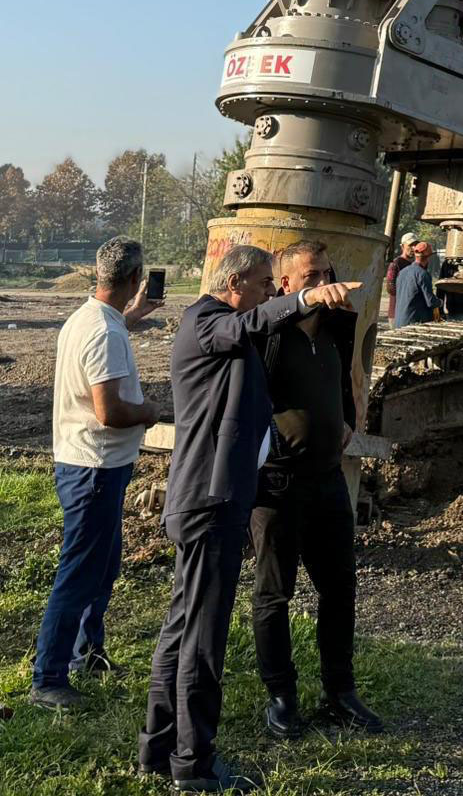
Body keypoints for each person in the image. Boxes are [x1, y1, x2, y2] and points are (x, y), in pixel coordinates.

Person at [137, 245, 360, 794]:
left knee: (180, 632)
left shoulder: (220, 323)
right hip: (210, 501)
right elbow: (257, 321)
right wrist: (304, 295)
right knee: (201, 641)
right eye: (265, 283)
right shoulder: (208, 323)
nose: (268, 293)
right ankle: (194, 765)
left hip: (212, 498)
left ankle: (158, 748)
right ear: (235, 283)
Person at [249, 240, 382, 738]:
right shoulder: (266, 331)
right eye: (310, 276)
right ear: (285, 285)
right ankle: (282, 697)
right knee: (273, 593)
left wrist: (348, 419)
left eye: (326, 272)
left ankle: (340, 692)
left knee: (340, 587)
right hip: (278, 485)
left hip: (327, 478)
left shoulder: (334, 327)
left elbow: (350, 375)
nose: (323, 283)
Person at [29, 237, 163, 711]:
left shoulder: (90, 318)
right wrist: (148, 411)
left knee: (102, 566)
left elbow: (104, 343)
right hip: (94, 468)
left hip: (89, 463)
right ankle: (48, 677)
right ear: (133, 278)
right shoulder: (104, 332)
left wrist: (136, 316)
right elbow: (108, 411)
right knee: (80, 572)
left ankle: (88, 652)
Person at [393, 241, 440, 328]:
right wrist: (440, 302)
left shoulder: (402, 272)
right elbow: (431, 302)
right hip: (413, 324)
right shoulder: (423, 274)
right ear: (428, 258)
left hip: (399, 322)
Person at [384, 232, 418, 324]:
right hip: (397, 313)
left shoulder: (414, 265)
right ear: (402, 246)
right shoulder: (396, 264)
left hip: (410, 312)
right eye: (410, 245)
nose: (413, 248)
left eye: (415, 245)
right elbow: (391, 289)